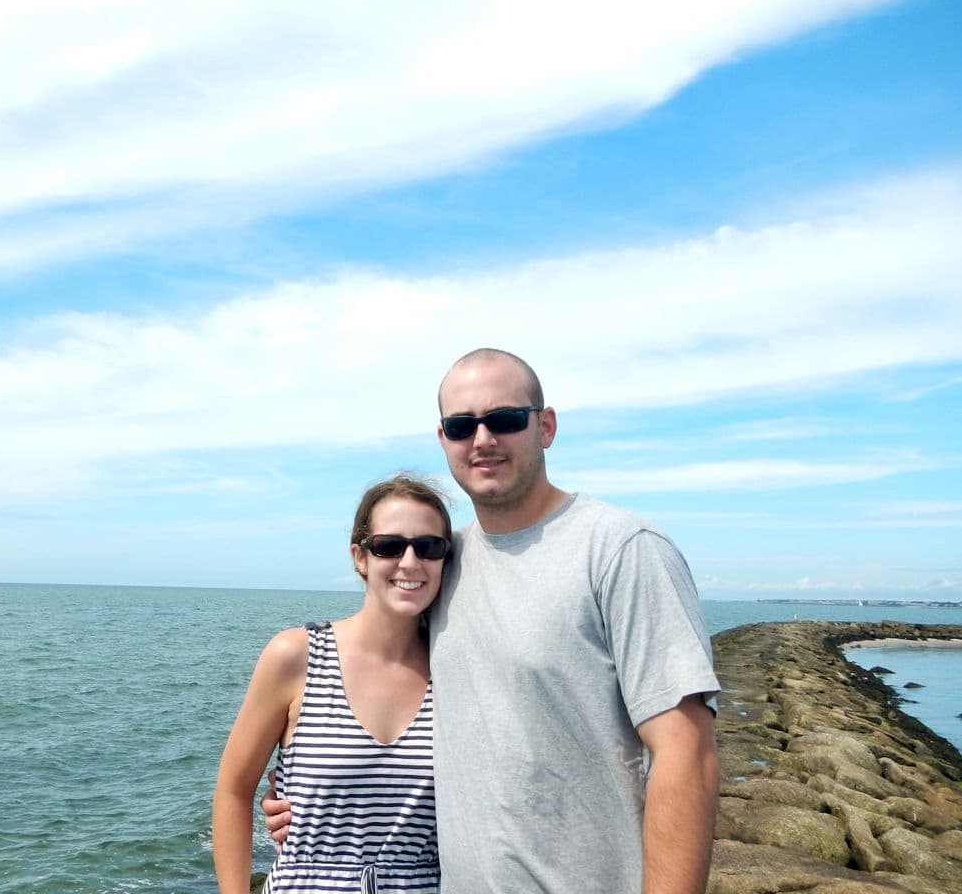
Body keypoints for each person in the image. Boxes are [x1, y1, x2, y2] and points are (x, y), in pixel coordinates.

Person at [266, 349, 721, 894]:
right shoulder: (440, 562)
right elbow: (387, 684)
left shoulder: (621, 550)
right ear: (444, 441)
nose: (482, 439)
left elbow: (686, 751)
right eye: (462, 425)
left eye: (504, 419)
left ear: (545, 426)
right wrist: (313, 802)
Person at [213, 474, 451, 893]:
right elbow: (234, 790)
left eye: (429, 547)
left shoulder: (455, 669)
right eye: (389, 546)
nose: (410, 562)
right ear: (359, 557)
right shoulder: (298, 655)